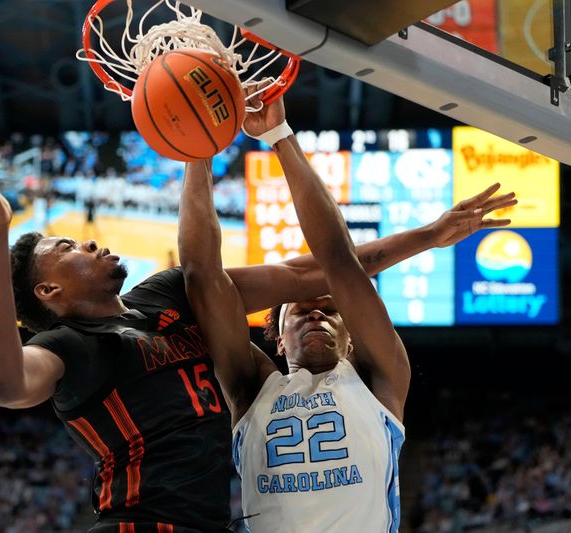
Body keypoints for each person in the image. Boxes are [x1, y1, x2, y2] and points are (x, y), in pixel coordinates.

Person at [0, 121, 514, 532]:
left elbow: (316, 269)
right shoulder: (68, 347)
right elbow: (7, 385)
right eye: (68, 247)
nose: (90, 242)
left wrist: (197, 146)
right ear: (48, 293)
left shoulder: (163, 298)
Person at [177, 94, 517, 532]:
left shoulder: (379, 380)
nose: (317, 314)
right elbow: (203, 279)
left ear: (352, 338)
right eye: (300, 311)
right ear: (277, 339)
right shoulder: (252, 388)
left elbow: (338, 259)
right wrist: (199, 146)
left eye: (331, 311)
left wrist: (281, 137)